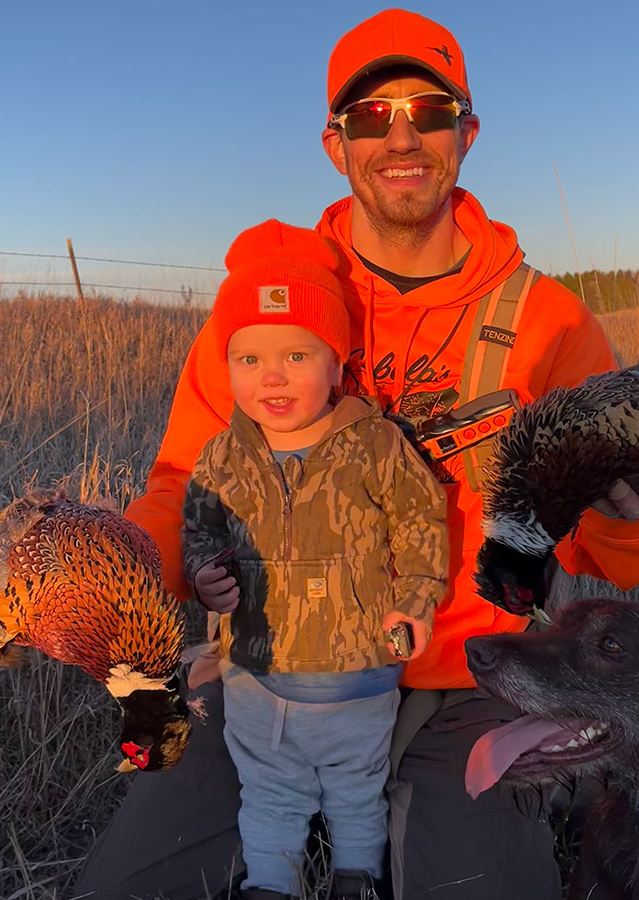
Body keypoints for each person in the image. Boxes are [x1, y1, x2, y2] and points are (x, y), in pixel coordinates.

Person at [72, 9, 639, 900]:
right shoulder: (265, 305)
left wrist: (624, 507)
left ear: (466, 131)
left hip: (466, 677)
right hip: (271, 668)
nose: (401, 136)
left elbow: (620, 552)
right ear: (336, 143)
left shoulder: (550, 324)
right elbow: (182, 484)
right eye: (370, 115)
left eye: (429, 110)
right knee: (129, 884)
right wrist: (117, 563)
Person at [181, 219, 448, 900]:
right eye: (249, 360)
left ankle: (356, 877)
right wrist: (205, 574)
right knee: (268, 791)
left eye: (297, 356)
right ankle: (272, 882)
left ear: (337, 362)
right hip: (253, 677)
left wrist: (415, 600)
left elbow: (421, 522)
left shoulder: (377, 445)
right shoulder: (222, 455)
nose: (271, 376)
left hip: (355, 677)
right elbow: (200, 526)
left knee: (356, 792)